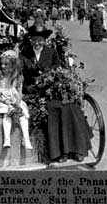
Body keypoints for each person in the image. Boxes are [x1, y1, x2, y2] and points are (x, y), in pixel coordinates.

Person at [21, 25, 91, 163]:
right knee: (53, 108)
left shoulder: (51, 52)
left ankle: (77, 148)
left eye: (40, 40)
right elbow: (19, 74)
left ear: (45, 40)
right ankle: (59, 152)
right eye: (35, 39)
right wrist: (31, 86)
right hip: (33, 91)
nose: (37, 42)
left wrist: (52, 80)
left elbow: (58, 69)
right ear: (31, 40)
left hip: (51, 89)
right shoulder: (24, 53)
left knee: (70, 106)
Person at [0, 50, 33, 149]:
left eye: (6, 64)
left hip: (15, 101)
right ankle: (7, 140)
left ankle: (26, 139)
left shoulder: (17, 77)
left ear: (13, 66)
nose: (3, 66)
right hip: (2, 101)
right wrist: (5, 101)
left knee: (23, 115)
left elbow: (19, 93)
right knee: (7, 113)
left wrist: (17, 103)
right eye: (2, 64)